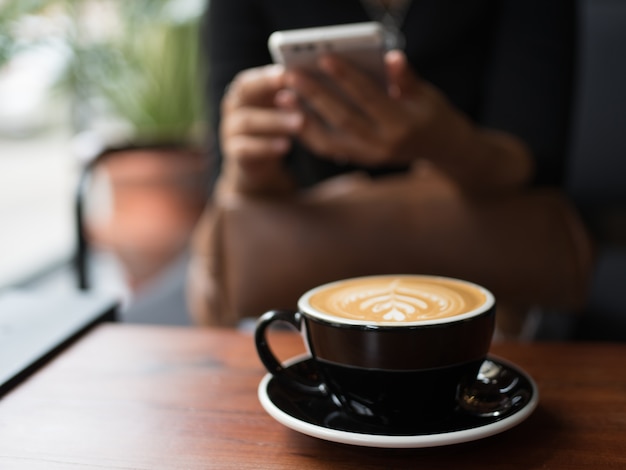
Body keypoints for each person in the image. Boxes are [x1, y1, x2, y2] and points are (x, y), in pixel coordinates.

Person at [188, 0, 594, 335]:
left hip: (490, 279)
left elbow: (536, 162)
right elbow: (229, 187)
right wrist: (250, 164)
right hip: (299, 283)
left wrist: (449, 144)